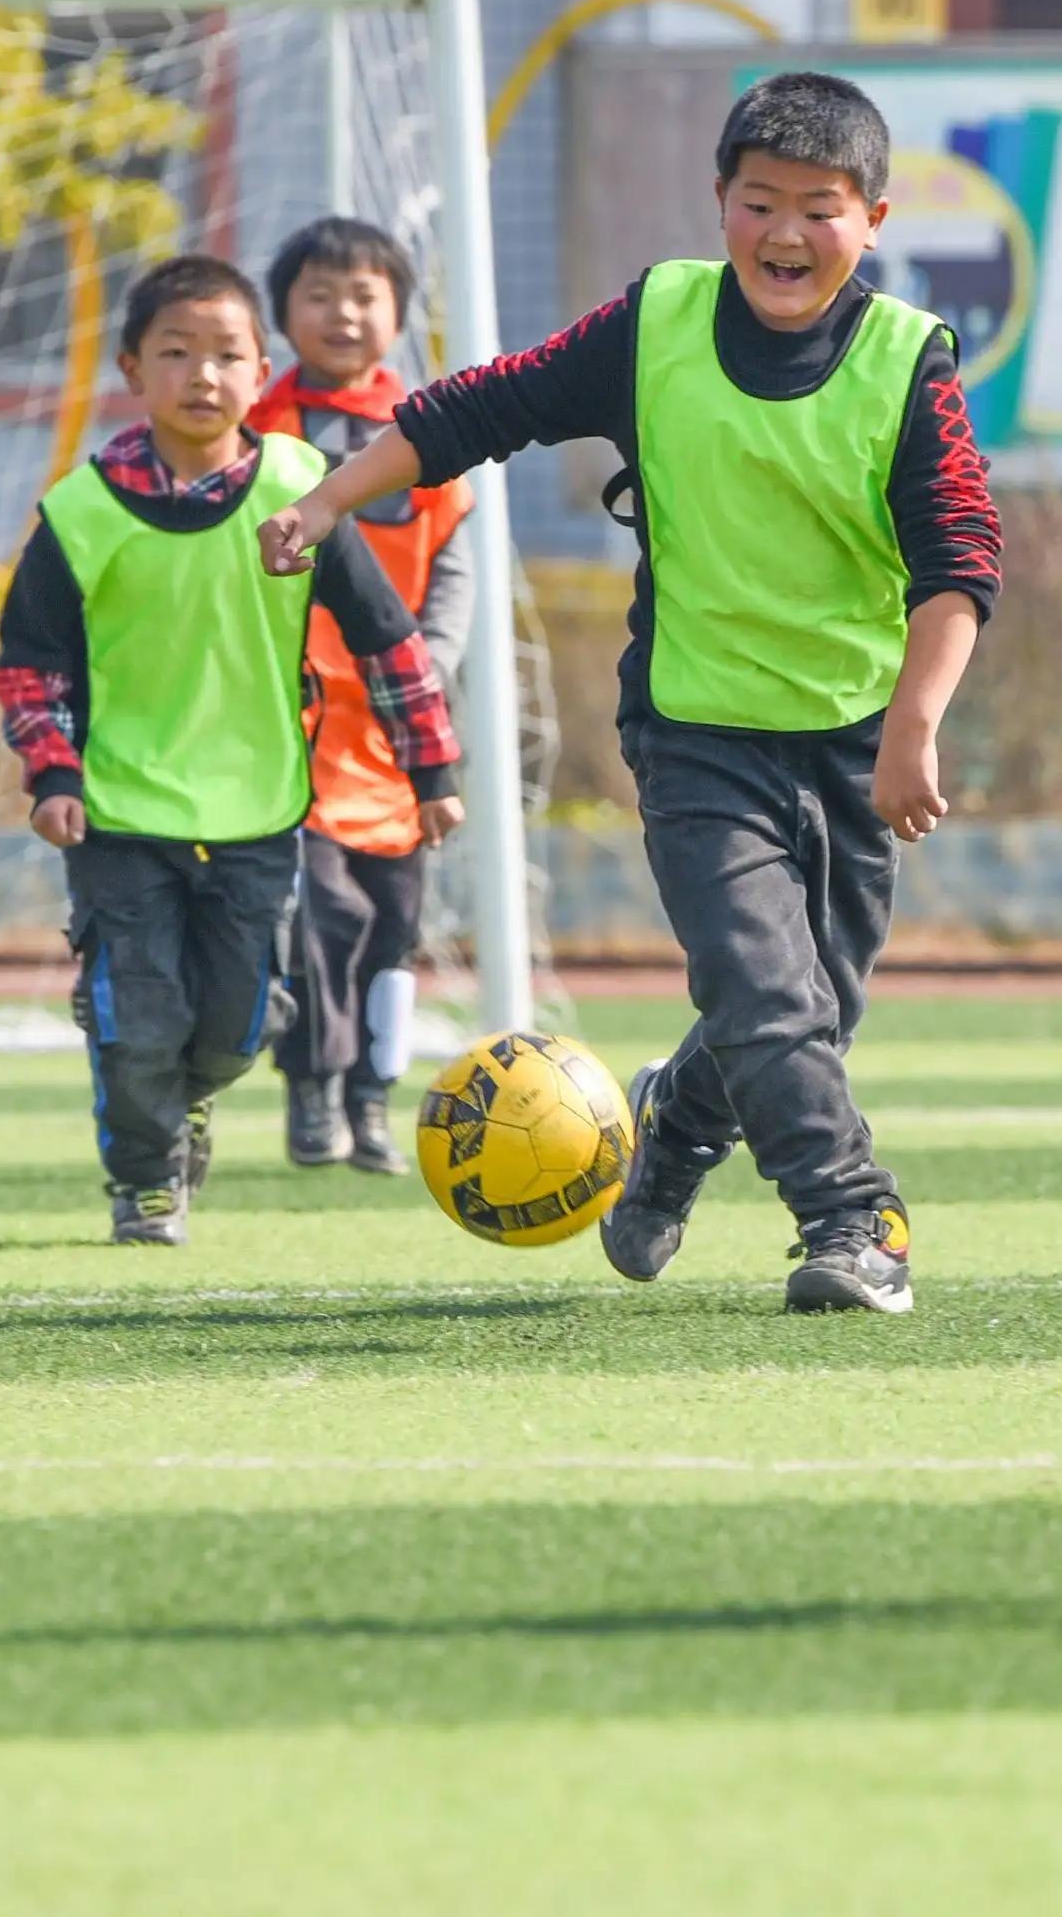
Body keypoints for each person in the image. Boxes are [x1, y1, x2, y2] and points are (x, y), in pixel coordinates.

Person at [260, 71, 1002, 1315]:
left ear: (873, 220)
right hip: (697, 730)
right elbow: (481, 407)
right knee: (771, 997)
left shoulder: (906, 363)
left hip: (858, 735)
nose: (784, 233)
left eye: (820, 209)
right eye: (759, 202)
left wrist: (915, 727)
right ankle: (851, 1217)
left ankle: (674, 1124)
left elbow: (960, 557)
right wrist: (331, 496)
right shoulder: (656, 322)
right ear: (719, 204)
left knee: (815, 1005)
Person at [0, 254, 461, 1246]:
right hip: (120, 816)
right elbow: (29, 662)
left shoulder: (306, 491)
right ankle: (144, 1179)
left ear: (262, 372)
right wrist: (52, 773)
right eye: (176, 353)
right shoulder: (82, 512)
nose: (202, 375)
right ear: (132, 367)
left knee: (235, 1032)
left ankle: (189, 1104)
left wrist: (432, 771)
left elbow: (388, 641)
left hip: (257, 813)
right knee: (139, 1019)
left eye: (225, 355)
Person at [252, 217, 474, 1173]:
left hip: (398, 728)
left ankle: (376, 1100)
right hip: (293, 721)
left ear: (396, 311)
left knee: (394, 921)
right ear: (283, 313)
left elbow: (457, 565)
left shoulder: (425, 433)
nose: (342, 313)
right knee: (318, 912)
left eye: (363, 294)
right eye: (319, 294)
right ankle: (312, 1087)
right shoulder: (254, 429)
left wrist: (428, 664)